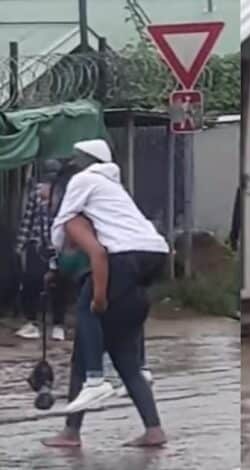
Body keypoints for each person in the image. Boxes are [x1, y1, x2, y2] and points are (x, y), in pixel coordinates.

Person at [46, 139, 168, 415]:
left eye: (77, 158)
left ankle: (94, 379)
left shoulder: (83, 184)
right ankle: (141, 369)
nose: (74, 164)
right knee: (128, 311)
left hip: (126, 256)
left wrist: (97, 297)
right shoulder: (113, 188)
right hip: (156, 253)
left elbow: (74, 233)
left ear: (88, 161)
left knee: (87, 311)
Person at [14, 159, 68, 341]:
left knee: (59, 285)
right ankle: (32, 322)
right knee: (31, 282)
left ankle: (58, 324)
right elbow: (28, 220)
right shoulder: (35, 194)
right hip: (37, 245)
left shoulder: (66, 196)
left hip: (59, 246)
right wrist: (21, 245)